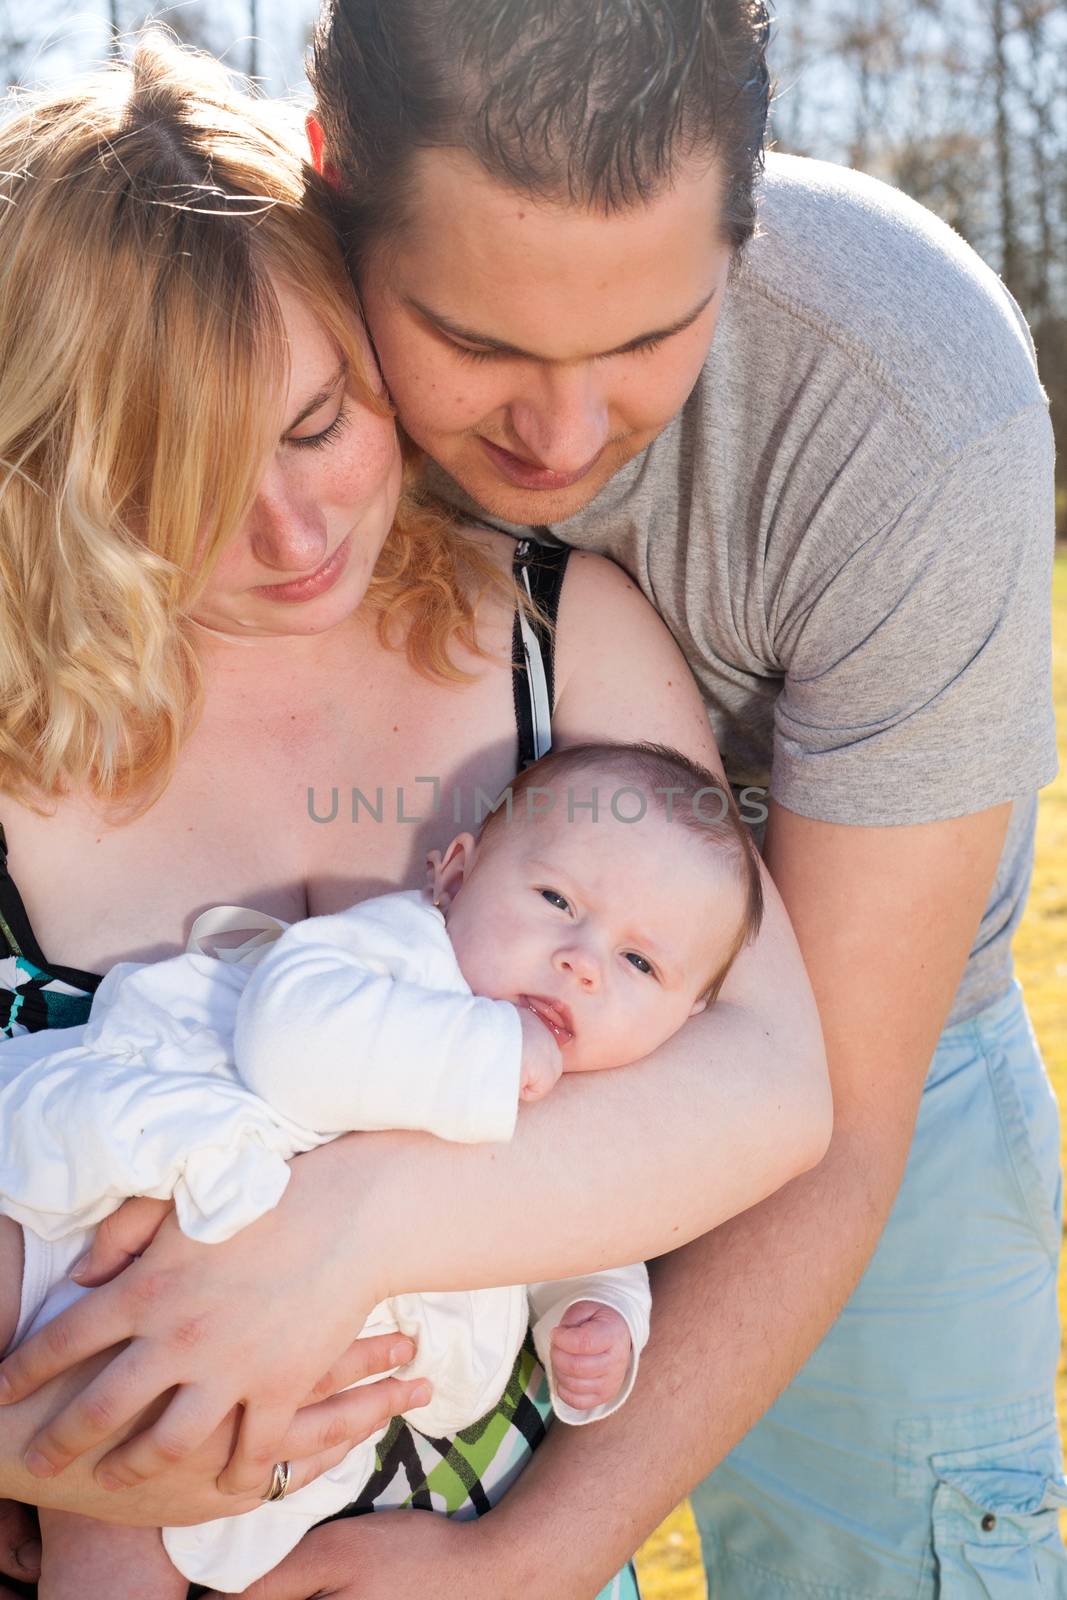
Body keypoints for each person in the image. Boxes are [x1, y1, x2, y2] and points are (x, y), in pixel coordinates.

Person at [0, 33, 828, 1600]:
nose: (292, 527)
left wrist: (344, 1236)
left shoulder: (552, 635)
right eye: (178, 477)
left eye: (319, 422)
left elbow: (772, 1086)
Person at [245, 0, 1058, 1596]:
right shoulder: (230, 333)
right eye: (472, 342)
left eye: (641, 340)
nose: (556, 436)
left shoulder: (904, 395)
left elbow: (836, 1108)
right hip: (395, 1034)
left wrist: (533, 1552)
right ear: (330, 176)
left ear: (744, 219)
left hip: (871, 1059)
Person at [0, 739, 761, 1596]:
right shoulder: (402, 955)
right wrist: (489, 1054)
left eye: (638, 963)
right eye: (554, 899)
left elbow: (589, 1225)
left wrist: (598, 1313)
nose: (580, 961)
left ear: (683, 1020)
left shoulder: (600, 1107)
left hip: (241, 1393)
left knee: (118, 1534)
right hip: (92, 1223)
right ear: (456, 879)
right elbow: (293, 1038)